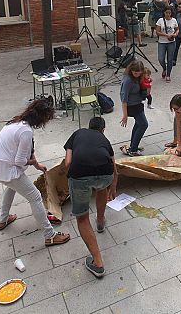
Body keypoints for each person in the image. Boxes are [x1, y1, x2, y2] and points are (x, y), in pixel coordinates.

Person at [0, 99, 71, 245]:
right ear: (42, 118)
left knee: (11, 187)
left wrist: (37, 164)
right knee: (35, 197)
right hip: (7, 169)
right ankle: (50, 235)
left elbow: (28, 151)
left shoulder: (17, 122)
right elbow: (20, 161)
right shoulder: (26, 131)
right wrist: (32, 162)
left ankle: (3, 219)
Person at [64, 117, 118, 278]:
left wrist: (74, 180)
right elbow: (114, 166)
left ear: (88, 127)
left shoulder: (77, 134)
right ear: (103, 129)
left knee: (82, 218)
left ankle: (98, 263)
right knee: (101, 188)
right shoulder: (104, 139)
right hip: (105, 175)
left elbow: (68, 163)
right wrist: (113, 186)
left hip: (80, 174)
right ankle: (100, 222)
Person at [119, 60, 148, 156]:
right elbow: (124, 99)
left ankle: (133, 146)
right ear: (131, 70)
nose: (137, 74)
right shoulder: (127, 81)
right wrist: (125, 115)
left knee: (138, 124)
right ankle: (133, 149)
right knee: (143, 124)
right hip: (132, 105)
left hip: (138, 103)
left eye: (139, 72)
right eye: (135, 72)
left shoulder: (138, 77)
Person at [155, 7, 178, 82]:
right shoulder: (160, 20)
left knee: (170, 59)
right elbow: (157, 32)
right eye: (166, 12)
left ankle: (168, 74)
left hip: (171, 42)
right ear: (164, 13)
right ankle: (164, 68)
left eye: (169, 13)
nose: (168, 14)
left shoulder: (174, 20)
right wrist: (165, 35)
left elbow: (177, 29)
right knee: (161, 58)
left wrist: (175, 34)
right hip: (162, 42)